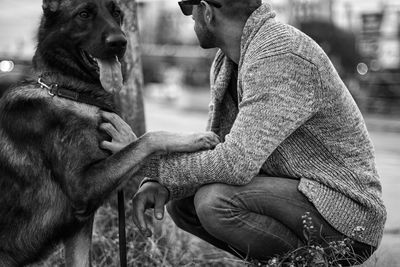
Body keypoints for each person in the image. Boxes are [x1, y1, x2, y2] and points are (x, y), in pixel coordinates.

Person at [100, 0, 386, 263]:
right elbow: (217, 152)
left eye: (188, 9)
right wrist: (160, 182)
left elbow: (235, 163)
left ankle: (310, 264)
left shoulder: (280, 53)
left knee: (215, 202)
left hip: (343, 210)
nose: (190, 18)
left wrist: (141, 158)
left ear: (207, 11)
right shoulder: (228, 61)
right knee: (182, 204)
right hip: (294, 193)